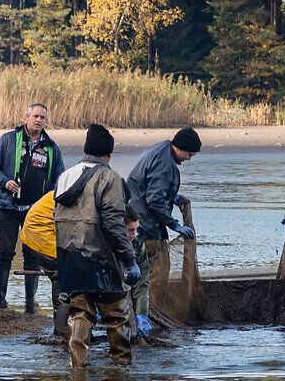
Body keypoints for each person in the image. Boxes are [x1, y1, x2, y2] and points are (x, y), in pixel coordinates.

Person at [52, 125, 136, 368]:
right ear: (107, 154)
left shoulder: (66, 176)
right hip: (100, 258)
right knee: (117, 314)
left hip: (69, 256)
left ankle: (76, 366)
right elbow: (114, 224)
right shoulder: (109, 178)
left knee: (80, 312)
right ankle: (121, 367)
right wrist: (129, 260)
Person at [0, 102, 60, 313]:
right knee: (4, 252)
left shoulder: (51, 147)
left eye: (42, 117)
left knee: (33, 254)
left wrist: (48, 201)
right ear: (26, 117)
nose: (38, 120)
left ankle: (30, 303)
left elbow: (58, 178)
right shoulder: (8, 139)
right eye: (35, 116)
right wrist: (4, 181)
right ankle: (0, 300)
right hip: (8, 206)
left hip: (35, 211)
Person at [125, 126, 200, 335]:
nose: (189, 158)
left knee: (141, 272)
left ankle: (140, 315)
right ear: (181, 148)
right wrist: (174, 224)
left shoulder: (158, 149)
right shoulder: (166, 164)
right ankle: (149, 317)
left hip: (137, 219)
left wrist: (172, 196)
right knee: (158, 273)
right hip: (147, 227)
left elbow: (152, 188)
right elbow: (154, 199)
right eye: (190, 154)